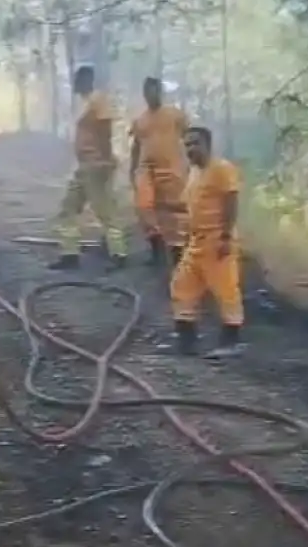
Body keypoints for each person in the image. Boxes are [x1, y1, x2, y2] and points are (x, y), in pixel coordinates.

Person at [165, 127, 245, 358]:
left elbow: (231, 200)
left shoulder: (221, 169)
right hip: (196, 242)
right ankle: (186, 339)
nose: (190, 149)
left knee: (225, 290)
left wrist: (226, 237)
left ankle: (232, 341)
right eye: (187, 144)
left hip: (217, 240)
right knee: (182, 286)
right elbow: (189, 205)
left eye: (195, 144)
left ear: (207, 145)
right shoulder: (194, 173)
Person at [50, 66, 128, 271]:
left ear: (87, 80)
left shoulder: (98, 100)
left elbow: (105, 132)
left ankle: (118, 254)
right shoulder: (86, 103)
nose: (75, 84)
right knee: (68, 209)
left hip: (96, 165)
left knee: (106, 212)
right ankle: (69, 254)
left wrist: (106, 159)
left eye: (78, 80)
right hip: (84, 165)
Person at [129, 77, 190, 267]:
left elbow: (191, 136)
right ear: (144, 94)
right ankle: (156, 249)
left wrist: (194, 162)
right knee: (144, 207)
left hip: (172, 167)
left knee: (174, 210)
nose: (151, 95)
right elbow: (136, 146)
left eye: (155, 91)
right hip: (147, 169)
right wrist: (132, 168)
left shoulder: (175, 115)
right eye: (148, 92)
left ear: (160, 93)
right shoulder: (140, 120)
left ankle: (178, 251)